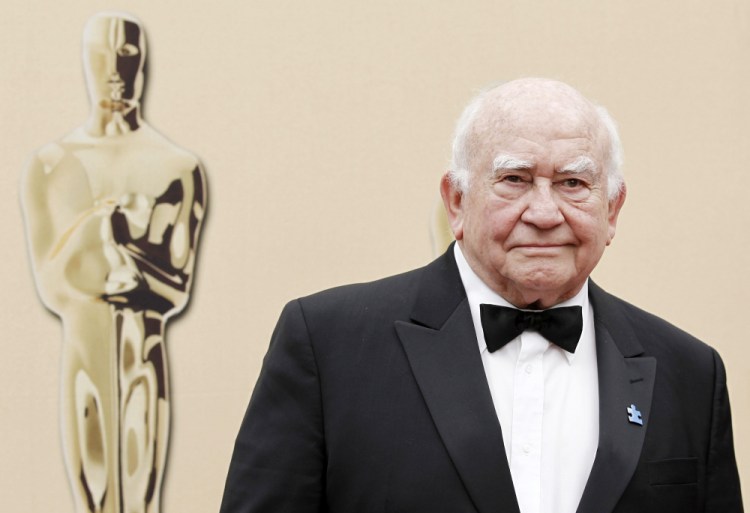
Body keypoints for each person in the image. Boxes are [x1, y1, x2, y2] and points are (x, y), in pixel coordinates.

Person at [219, 78, 742, 513]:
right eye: (514, 179)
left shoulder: (690, 373)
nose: (544, 213)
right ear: (457, 201)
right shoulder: (328, 345)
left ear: (613, 209)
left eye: (573, 183)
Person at [21, 12, 206, 513]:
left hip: (143, 356)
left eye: (126, 53)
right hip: (82, 356)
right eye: (102, 53)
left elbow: (176, 288)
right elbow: (52, 284)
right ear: (86, 59)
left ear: (142, 63)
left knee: (140, 495)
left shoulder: (176, 167)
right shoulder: (51, 165)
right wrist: (103, 228)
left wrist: (115, 255)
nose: (114, 69)